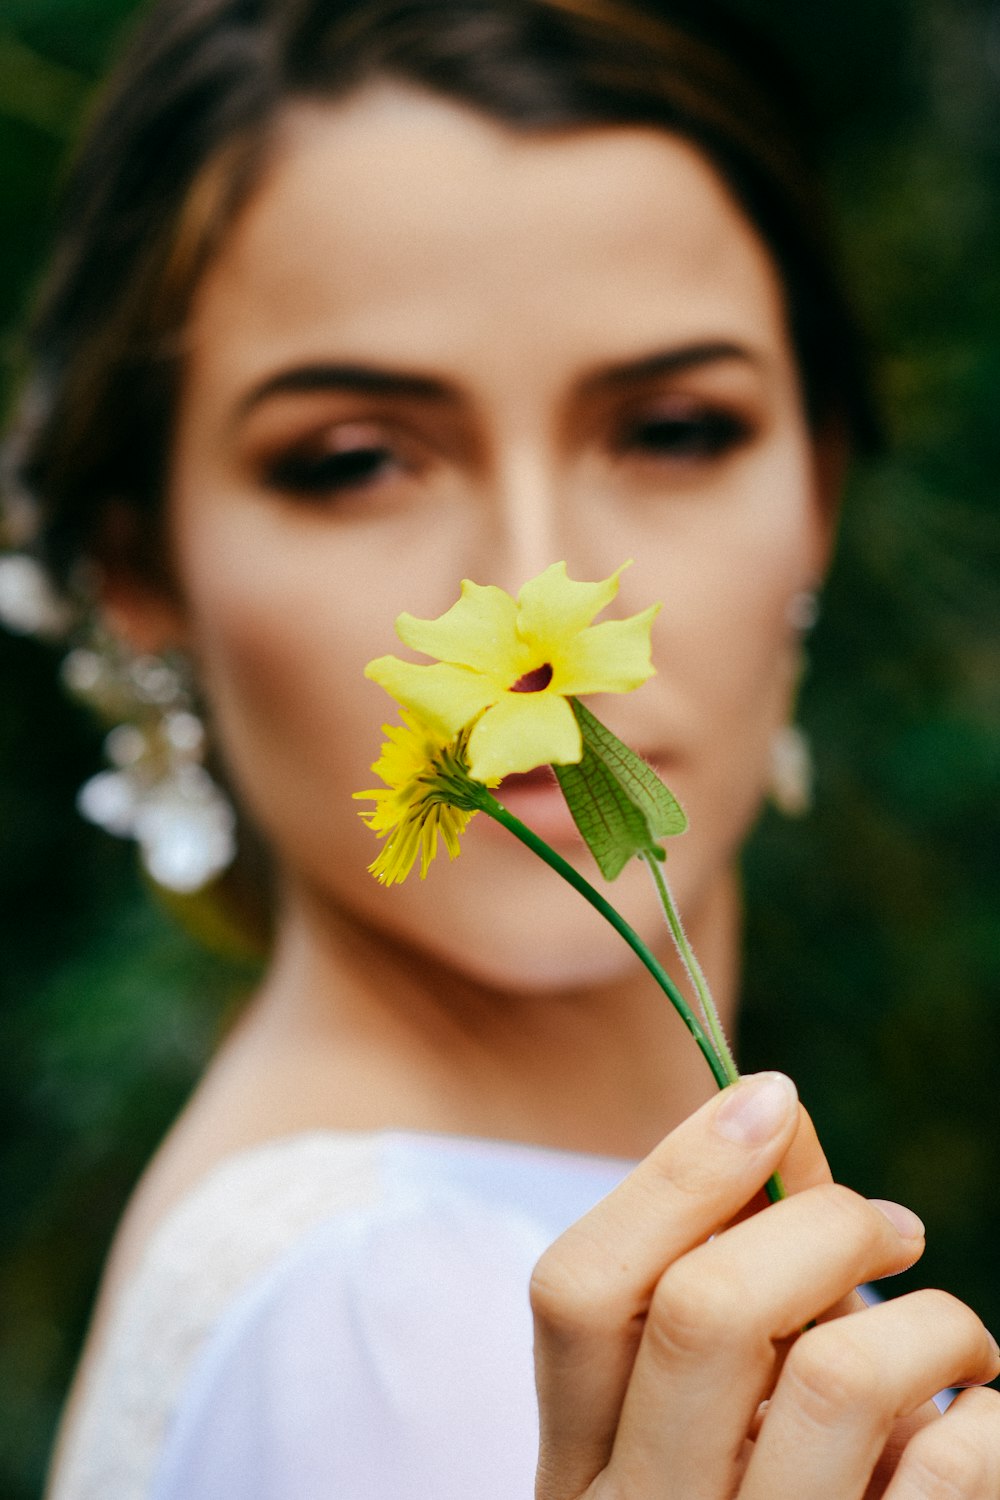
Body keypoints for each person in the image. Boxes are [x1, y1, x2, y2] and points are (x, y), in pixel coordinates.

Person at [5, 0, 999, 1495]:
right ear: (143, 569)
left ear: (820, 486)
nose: (538, 587)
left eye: (673, 427)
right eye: (354, 462)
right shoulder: (396, 1319)